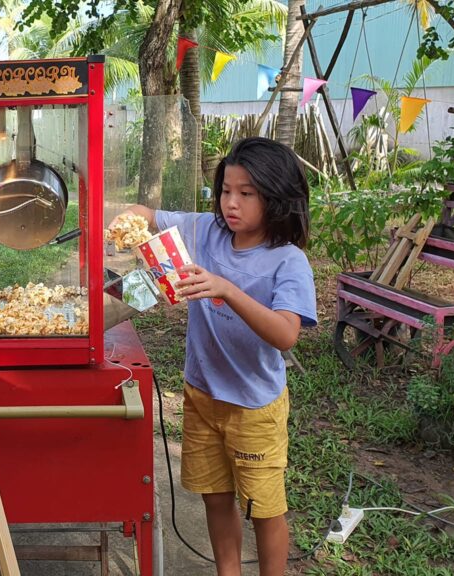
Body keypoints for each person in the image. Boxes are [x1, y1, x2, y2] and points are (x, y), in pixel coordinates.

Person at [112, 137, 316, 576]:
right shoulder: (207, 230)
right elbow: (147, 214)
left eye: (246, 193)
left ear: (277, 198)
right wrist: (127, 220)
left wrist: (227, 290)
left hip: (253, 407)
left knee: (263, 509)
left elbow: (286, 335)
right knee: (216, 497)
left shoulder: (287, 261)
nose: (231, 203)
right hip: (202, 394)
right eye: (225, 190)